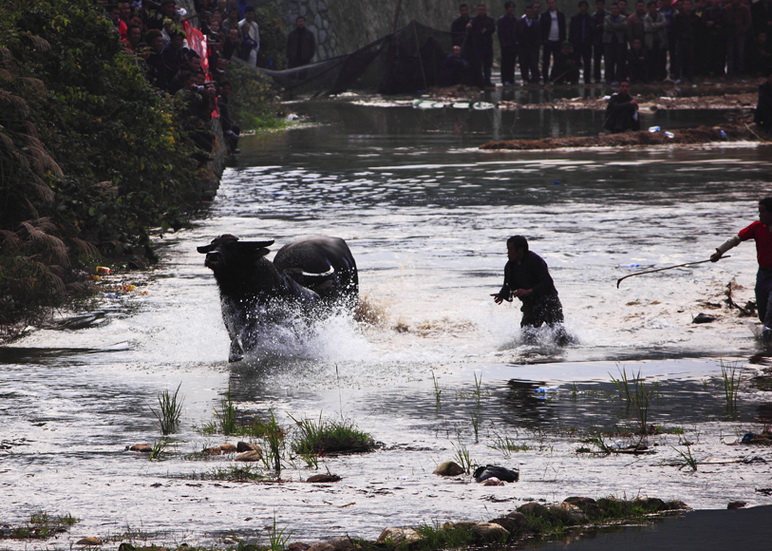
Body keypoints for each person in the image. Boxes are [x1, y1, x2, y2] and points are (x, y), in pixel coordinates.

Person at [710, 197, 772, 342]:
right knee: (763, 312)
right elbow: (736, 239)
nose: (760, 215)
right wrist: (719, 252)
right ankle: (767, 330)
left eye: (762, 212)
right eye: (759, 211)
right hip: (763, 274)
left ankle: (767, 343)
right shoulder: (757, 227)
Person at [492, 235, 567, 338]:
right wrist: (502, 295)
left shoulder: (535, 260)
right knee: (526, 337)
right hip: (530, 306)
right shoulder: (509, 266)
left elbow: (547, 282)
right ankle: (532, 353)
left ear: (520, 249)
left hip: (548, 303)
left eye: (510, 249)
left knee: (559, 336)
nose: (508, 253)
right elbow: (508, 285)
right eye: (507, 249)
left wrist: (529, 291)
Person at [463, 3, 496, 87]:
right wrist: (469, 25)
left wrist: (486, 30)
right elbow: (470, 24)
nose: (481, 11)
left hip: (487, 45)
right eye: (480, 10)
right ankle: (479, 81)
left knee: (487, 64)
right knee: (478, 64)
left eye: (483, 10)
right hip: (478, 46)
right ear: (477, 11)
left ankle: (487, 81)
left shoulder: (489, 19)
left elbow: (492, 29)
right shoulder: (474, 19)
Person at [570, 0, 594, 83]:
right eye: (582, 7)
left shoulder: (591, 19)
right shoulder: (574, 18)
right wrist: (571, 44)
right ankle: (574, 79)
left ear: (587, 8)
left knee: (587, 63)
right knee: (576, 62)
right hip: (577, 44)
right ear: (579, 8)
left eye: (585, 7)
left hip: (587, 44)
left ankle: (587, 79)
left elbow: (593, 32)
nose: (583, 8)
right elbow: (571, 32)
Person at [497, 1, 519, 86]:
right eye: (510, 7)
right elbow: (500, 33)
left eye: (512, 7)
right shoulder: (502, 19)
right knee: (505, 62)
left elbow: (517, 32)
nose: (511, 9)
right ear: (506, 8)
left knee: (512, 62)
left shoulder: (515, 19)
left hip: (514, 44)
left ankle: (511, 79)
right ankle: (505, 80)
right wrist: (503, 43)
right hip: (505, 44)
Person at [519, 3, 542, 83]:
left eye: (531, 12)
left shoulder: (537, 23)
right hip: (523, 46)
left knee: (534, 63)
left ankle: (535, 78)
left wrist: (537, 44)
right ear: (525, 12)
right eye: (528, 12)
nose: (529, 13)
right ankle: (525, 78)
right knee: (524, 63)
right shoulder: (520, 22)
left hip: (533, 46)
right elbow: (517, 34)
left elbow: (539, 35)